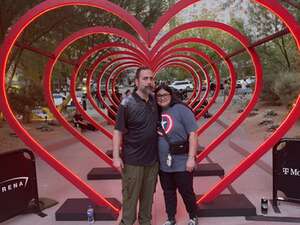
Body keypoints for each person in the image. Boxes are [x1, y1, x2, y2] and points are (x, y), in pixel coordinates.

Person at [113, 67, 159, 225]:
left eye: (151, 79)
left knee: (148, 200)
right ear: (137, 82)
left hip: (152, 162)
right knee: (130, 200)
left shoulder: (154, 100)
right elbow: (118, 131)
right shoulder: (126, 104)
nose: (149, 82)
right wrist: (116, 157)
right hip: (133, 161)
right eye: (145, 79)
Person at [155, 84, 199, 225]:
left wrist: (191, 158)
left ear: (171, 95)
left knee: (186, 191)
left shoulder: (181, 110)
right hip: (163, 162)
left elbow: (193, 134)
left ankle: (193, 216)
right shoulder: (155, 112)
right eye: (159, 96)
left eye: (165, 95)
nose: (162, 98)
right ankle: (171, 218)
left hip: (182, 160)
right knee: (168, 192)